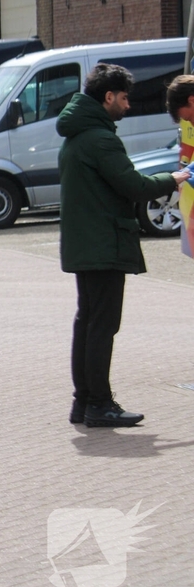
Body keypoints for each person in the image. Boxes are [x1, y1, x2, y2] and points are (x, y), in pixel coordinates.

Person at [57, 63, 190, 427]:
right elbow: (133, 185)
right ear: (109, 97)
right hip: (104, 245)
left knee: (88, 322)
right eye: (125, 98)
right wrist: (175, 177)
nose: (128, 105)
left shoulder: (77, 135)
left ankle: (83, 402)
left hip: (86, 246)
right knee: (101, 326)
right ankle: (99, 403)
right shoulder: (100, 139)